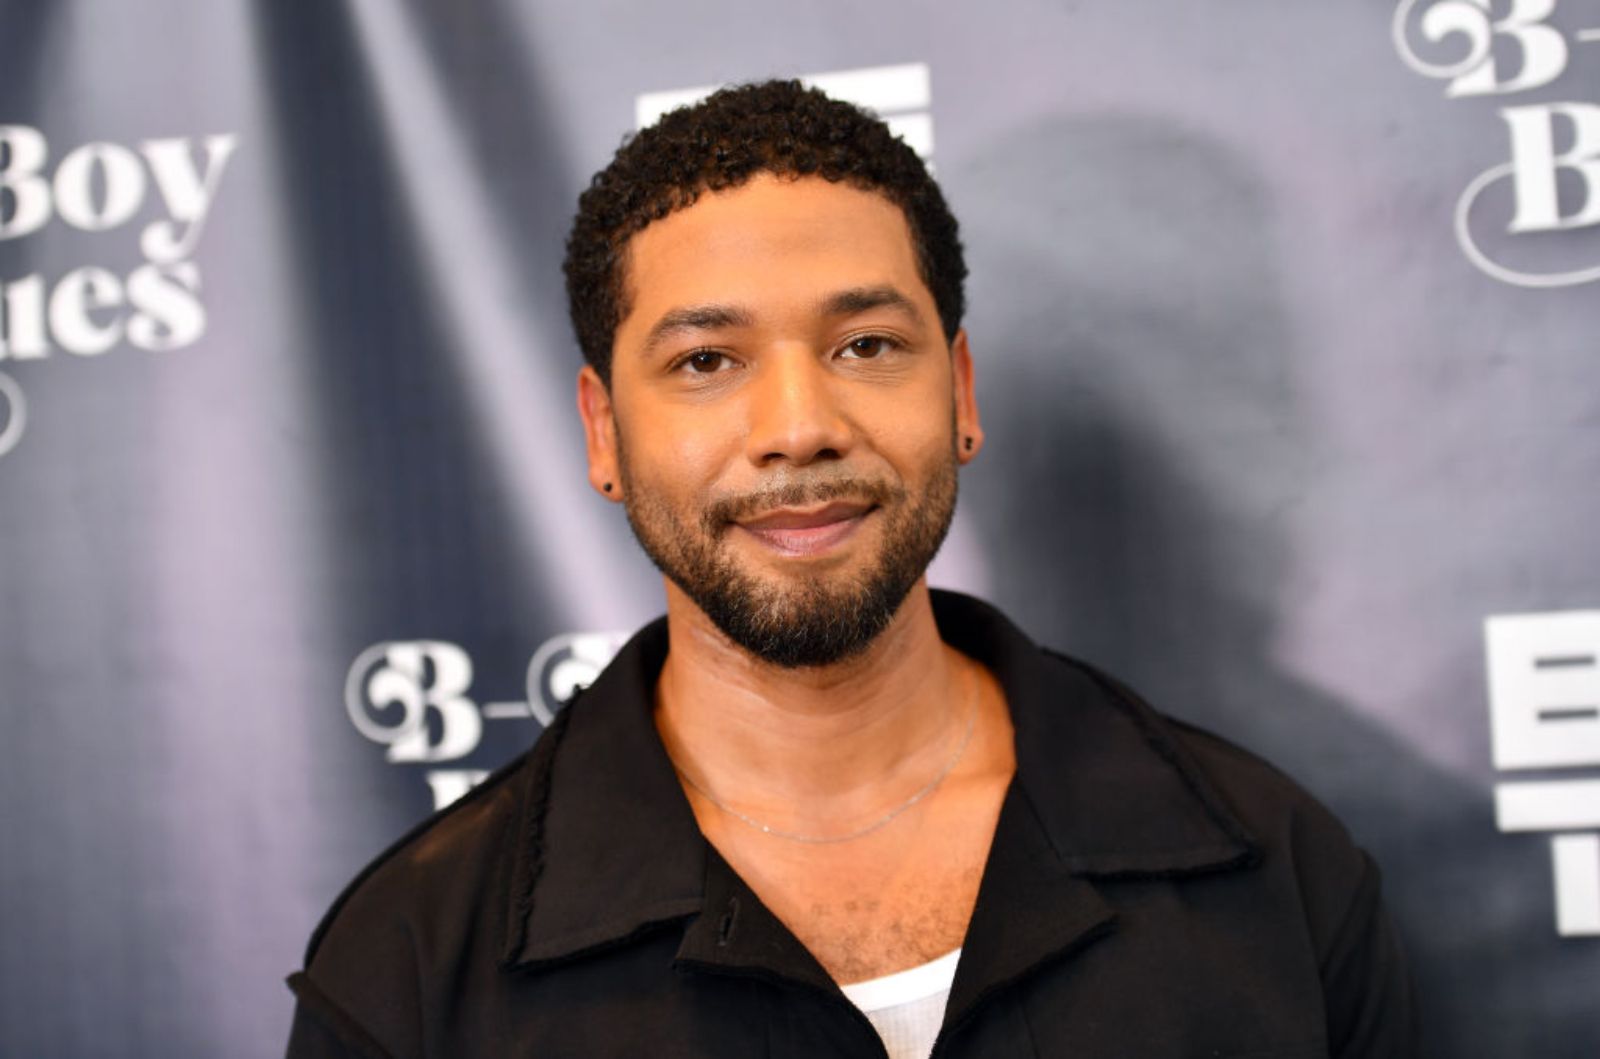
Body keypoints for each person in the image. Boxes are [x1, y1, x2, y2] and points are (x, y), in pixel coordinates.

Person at [285, 80, 1414, 1058]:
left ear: (959, 392)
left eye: (864, 345)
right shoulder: (411, 967)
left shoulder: (1275, 873)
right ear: (601, 434)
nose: (798, 426)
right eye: (707, 360)